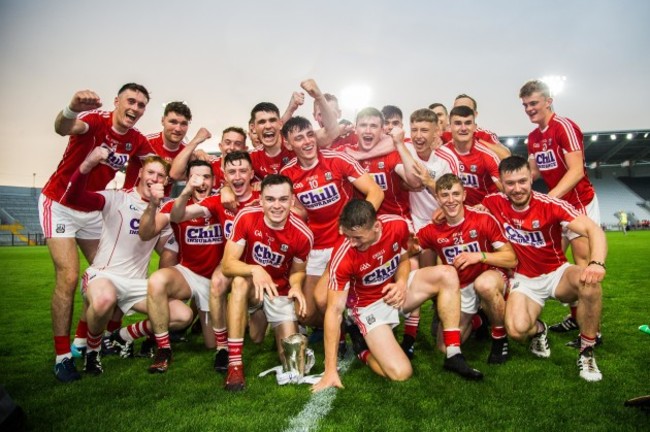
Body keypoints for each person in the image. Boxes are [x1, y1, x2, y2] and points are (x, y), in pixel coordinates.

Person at [40, 84, 155, 382]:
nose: (136, 108)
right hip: (62, 202)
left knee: (106, 273)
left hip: (93, 209)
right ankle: (63, 356)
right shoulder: (95, 121)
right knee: (67, 276)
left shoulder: (135, 140)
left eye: (142, 105)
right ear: (117, 101)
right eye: (131, 101)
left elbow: (157, 165)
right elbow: (62, 127)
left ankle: (83, 340)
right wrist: (72, 106)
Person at [312, 200, 483, 392]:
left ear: (376, 227)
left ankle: (454, 354)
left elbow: (402, 259)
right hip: (368, 307)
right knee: (401, 373)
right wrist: (330, 370)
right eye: (348, 236)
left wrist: (401, 283)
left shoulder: (397, 225)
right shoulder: (343, 255)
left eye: (358, 237)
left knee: (447, 274)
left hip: (396, 291)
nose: (352, 242)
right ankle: (362, 350)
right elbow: (334, 311)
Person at [65, 148, 190, 376]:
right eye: (151, 172)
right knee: (104, 300)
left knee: (182, 315)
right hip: (104, 276)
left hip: (136, 284)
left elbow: (168, 249)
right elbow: (73, 197)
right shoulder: (117, 197)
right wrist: (87, 163)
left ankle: (121, 336)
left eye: (160, 176)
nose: (154, 178)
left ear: (166, 181)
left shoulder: (163, 212)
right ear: (140, 173)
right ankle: (93, 352)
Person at [482, 155, 606, 382]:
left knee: (590, 284)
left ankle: (586, 351)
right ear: (501, 183)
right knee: (517, 331)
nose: (517, 188)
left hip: (557, 273)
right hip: (525, 279)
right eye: (510, 183)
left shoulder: (550, 204)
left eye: (522, 181)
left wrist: (596, 263)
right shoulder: (492, 202)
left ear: (531, 178)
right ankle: (540, 329)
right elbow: (467, 212)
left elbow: (593, 229)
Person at [280, 80, 385, 327]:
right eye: (298, 138)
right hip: (314, 247)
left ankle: (353, 333)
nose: (306, 142)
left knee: (323, 300)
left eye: (309, 135)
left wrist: (356, 226)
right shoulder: (288, 174)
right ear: (289, 144)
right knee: (306, 313)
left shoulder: (336, 159)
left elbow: (375, 192)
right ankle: (340, 324)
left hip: (342, 241)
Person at [520, 79, 601, 335]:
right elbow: (532, 173)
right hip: (558, 207)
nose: (530, 109)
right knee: (553, 263)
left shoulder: (563, 127)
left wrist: (550, 199)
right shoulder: (533, 137)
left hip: (578, 204)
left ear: (548, 100)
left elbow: (576, 170)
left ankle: (592, 331)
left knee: (583, 266)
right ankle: (575, 317)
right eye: (525, 105)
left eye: (534, 103)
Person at [169, 151, 261, 373]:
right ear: (225, 176)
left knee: (257, 338)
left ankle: (256, 309)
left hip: (261, 268)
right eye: (231, 172)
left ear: (251, 174)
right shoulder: (218, 200)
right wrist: (186, 192)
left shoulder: (263, 198)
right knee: (218, 281)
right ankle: (222, 347)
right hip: (232, 264)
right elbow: (177, 216)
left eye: (242, 171)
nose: (237, 176)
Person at [221, 174, 314, 392]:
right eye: (270, 199)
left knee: (293, 367)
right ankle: (235, 364)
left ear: (292, 201)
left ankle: (277, 322)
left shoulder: (303, 234)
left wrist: (296, 286)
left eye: (283, 199)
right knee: (239, 283)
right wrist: (255, 269)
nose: (277, 206)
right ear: (260, 200)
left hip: (279, 292)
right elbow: (227, 264)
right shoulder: (246, 216)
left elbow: (298, 272)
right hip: (253, 288)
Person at [135, 160, 226, 373]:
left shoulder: (222, 201)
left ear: (214, 181)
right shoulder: (175, 205)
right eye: (195, 177)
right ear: (187, 180)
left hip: (216, 280)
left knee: (212, 344)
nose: (201, 182)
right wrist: (152, 204)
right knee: (157, 280)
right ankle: (163, 348)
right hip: (189, 273)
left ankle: (129, 333)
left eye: (206, 177)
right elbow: (146, 233)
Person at [416, 173, 517, 364]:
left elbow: (511, 258)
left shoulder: (482, 219)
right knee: (444, 348)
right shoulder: (432, 230)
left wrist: (479, 256)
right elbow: (410, 245)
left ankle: (499, 337)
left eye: (455, 194)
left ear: (464, 195)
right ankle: (478, 320)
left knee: (484, 285)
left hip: (490, 276)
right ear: (437, 199)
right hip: (461, 286)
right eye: (445, 195)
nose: (451, 200)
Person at [444, 105, 502, 206]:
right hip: (453, 211)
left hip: (483, 212)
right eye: (458, 123)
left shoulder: (488, 155)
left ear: (475, 127)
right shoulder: (442, 153)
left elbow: (506, 190)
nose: (463, 128)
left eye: (468, 123)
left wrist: (487, 205)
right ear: (450, 127)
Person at [169, 126, 247, 189]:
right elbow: (175, 174)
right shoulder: (208, 164)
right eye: (228, 142)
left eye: (237, 144)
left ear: (245, 149)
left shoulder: (249, 170)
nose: (232, 147)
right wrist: (196, 140)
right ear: (220, 146)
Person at [442, 94, 511, 160]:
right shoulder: (444, 134)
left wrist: (476, 141)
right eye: (458, 109)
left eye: (466, 109)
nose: (461, 112)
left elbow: (506, 156)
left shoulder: (485, 134)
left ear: (475, 114)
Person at [249, 103, 294, 179]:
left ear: (280, 124)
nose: (268, 126)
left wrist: (319, 97)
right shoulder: (251, 157)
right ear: (253, 128)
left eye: (272, 120)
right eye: (262, 122)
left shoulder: (295, 145)